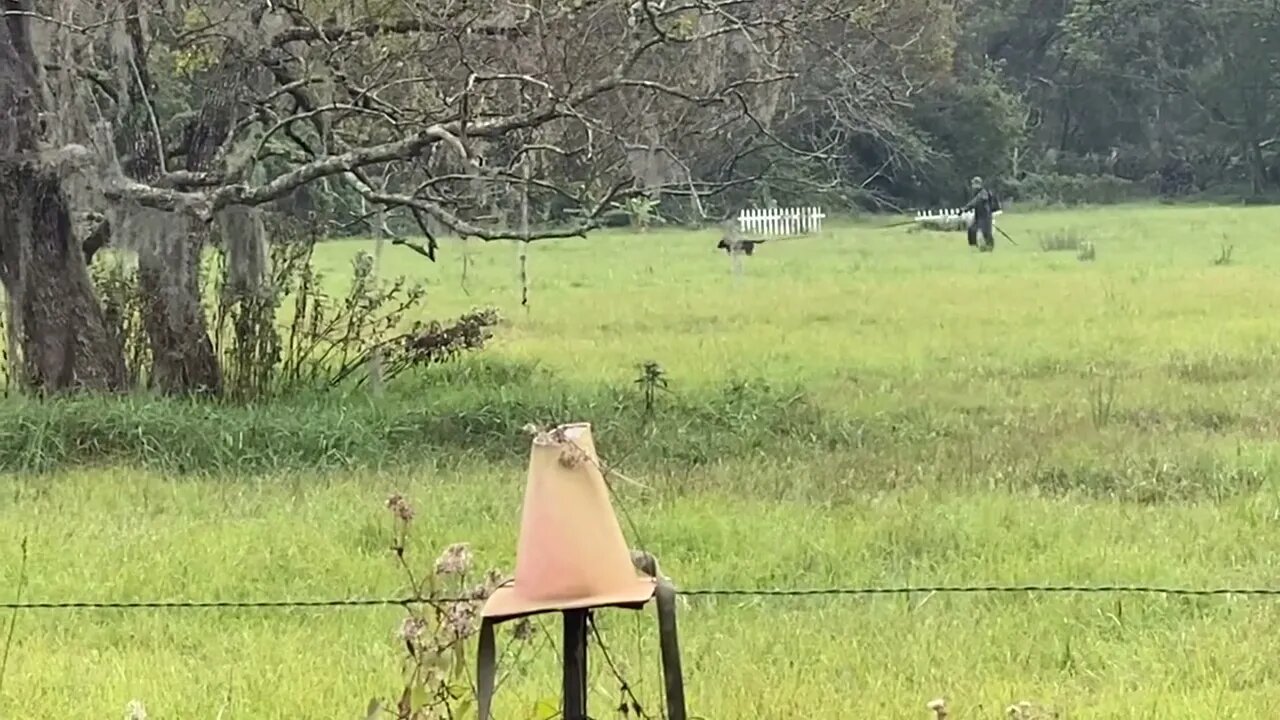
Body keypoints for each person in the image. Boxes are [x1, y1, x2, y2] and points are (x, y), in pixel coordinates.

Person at [962, 176, 999, 252]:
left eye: (973, 184)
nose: (972, 186)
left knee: (986, 234)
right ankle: (974, 247)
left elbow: (976, 201)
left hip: (985, 217)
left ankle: (989, 249)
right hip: (979, 216)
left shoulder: (983, 193)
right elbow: (974, 202)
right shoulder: (977, 193)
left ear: (978, 184)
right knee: (971, 230)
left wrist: (965, 208)